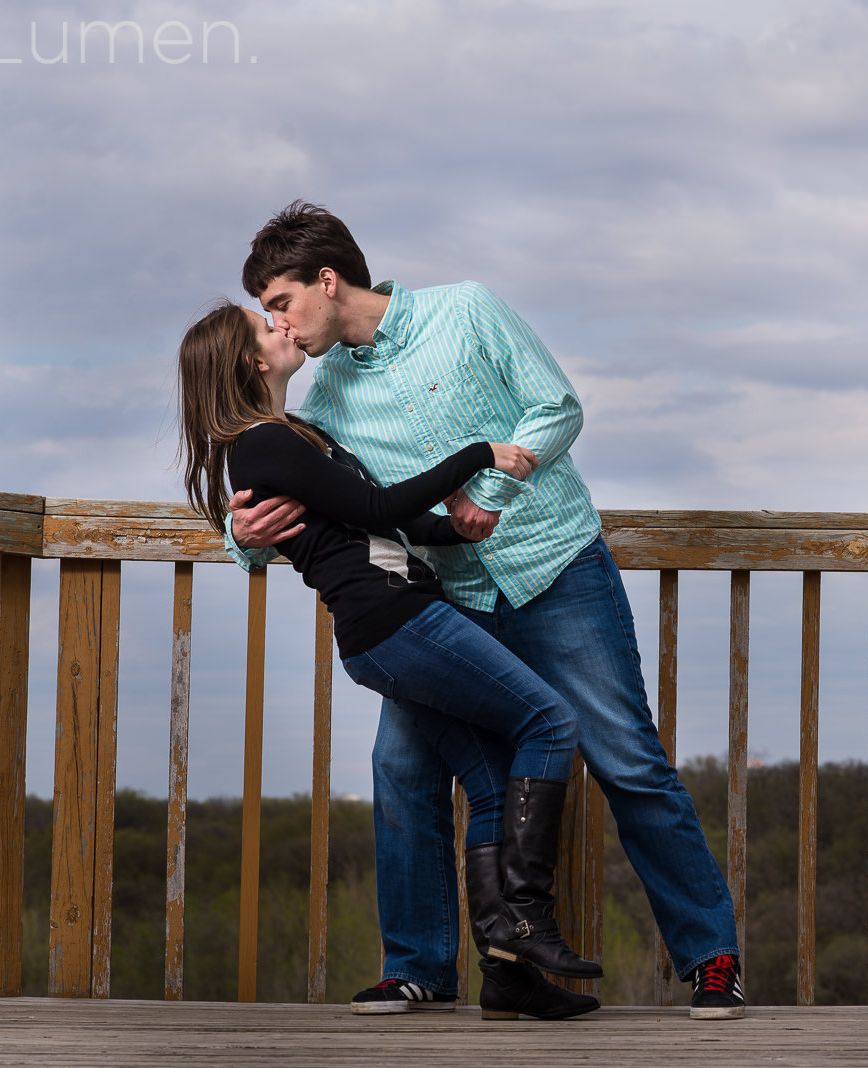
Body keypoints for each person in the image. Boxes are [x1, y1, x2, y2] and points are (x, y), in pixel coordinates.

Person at [226, 202, 745, 1021]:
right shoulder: (320, 403)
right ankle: (421, 967)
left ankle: (711, 958)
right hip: (445, 606)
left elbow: (557, 408)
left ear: (327, 281)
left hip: (556, 568)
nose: (275, 321)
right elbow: (308, 508)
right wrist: (242, 534)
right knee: (401, 768)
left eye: (280, 301)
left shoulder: (466, 309)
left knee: (626, 759)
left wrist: (491, 491)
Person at [178, 301, 603, 1017]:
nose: (282, 326)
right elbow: (376, 511)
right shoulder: (261, 446)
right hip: (397, 624)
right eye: (267, 325)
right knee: (550, 723)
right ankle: (530, 925)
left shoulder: (296, 437)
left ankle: (508, 976)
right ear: (251, 362)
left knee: (495, 782)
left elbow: (393, 520)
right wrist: (480, 455)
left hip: (396, 624)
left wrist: (472, 525)